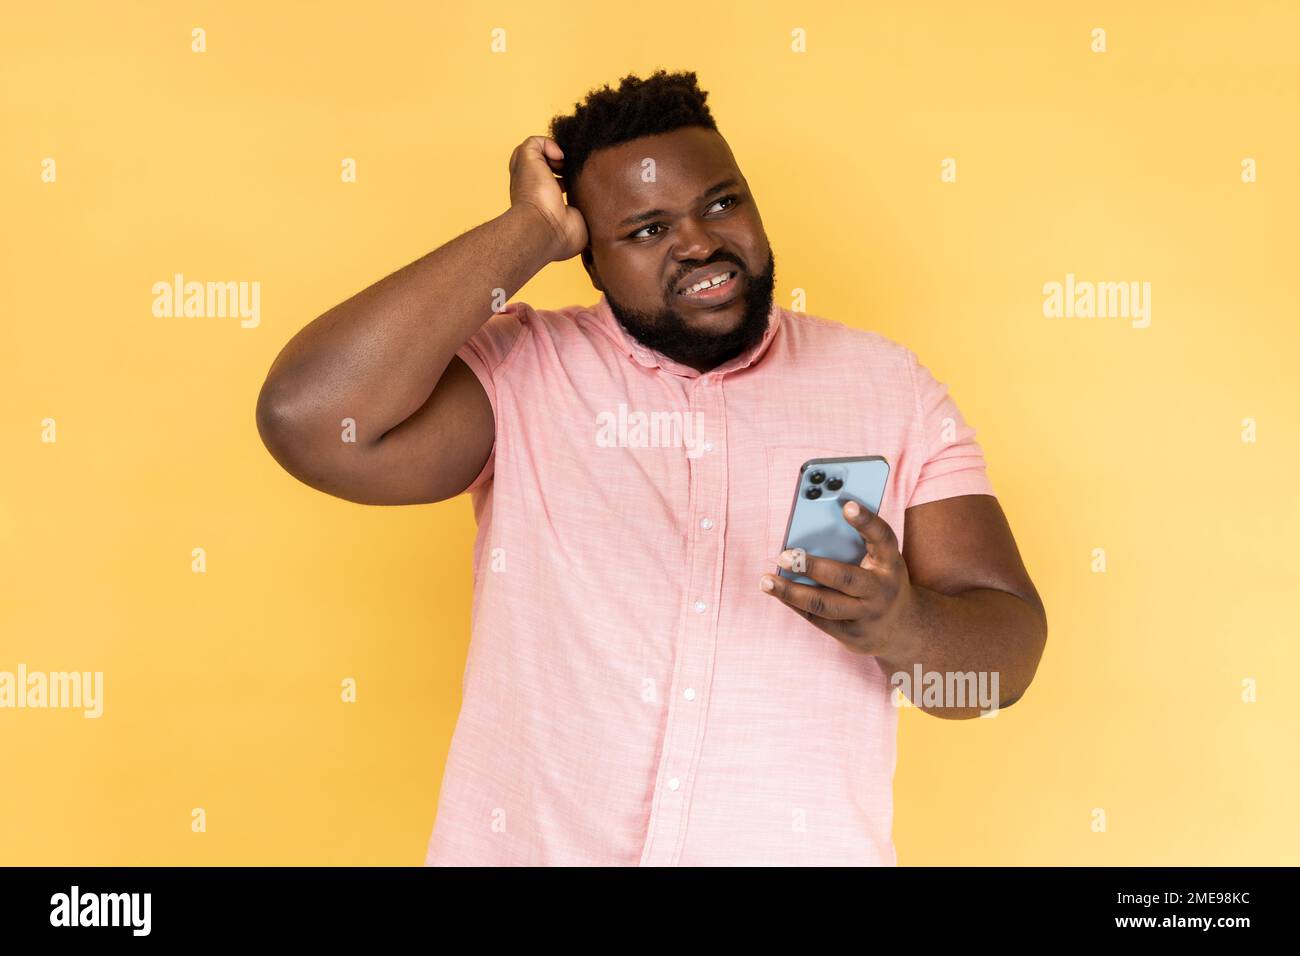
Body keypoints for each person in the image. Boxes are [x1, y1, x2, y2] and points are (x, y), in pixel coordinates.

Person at [255, 70, 1048, 866]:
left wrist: (901, 625)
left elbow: (1004, 666)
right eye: (645, 230)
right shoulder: (523, 369)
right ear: (589, 258)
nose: (699, 243)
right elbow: (311, 420)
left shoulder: (889, 388)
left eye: (721, 203)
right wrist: (527, 228)